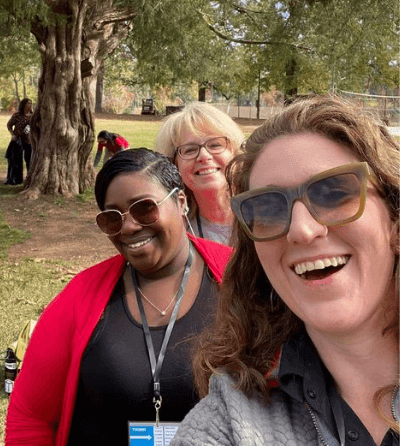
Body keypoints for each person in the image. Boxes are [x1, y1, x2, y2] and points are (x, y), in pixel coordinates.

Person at [171, 95, 399, 446]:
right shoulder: (229, 423)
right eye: (268, 207)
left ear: (394, 219)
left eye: (335, 192)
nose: (303, 231)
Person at [5, 148, 232, 446]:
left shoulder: (240, 280)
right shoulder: (80, 297)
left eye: (144, 208)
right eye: (112, 218)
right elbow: (30, 416)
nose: (129, 226)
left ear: (180, 203)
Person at [154, 102, 244, 244]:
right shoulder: (176, 236)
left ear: (235, 153)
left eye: (215, 145)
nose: (203, 156)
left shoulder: (265, 217)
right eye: (189, 150)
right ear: (174, 165)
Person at [5, 98, 33, 185]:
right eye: (28, 103)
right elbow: (9, 125)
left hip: (29, 141)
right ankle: (15, 179)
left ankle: (30, 178)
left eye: (31, 103)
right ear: (23, 105)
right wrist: (13, 134)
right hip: (18, 140)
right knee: (16, 160)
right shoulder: (17, 115)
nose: (30, 105)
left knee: (29, 160)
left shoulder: (33, 116)